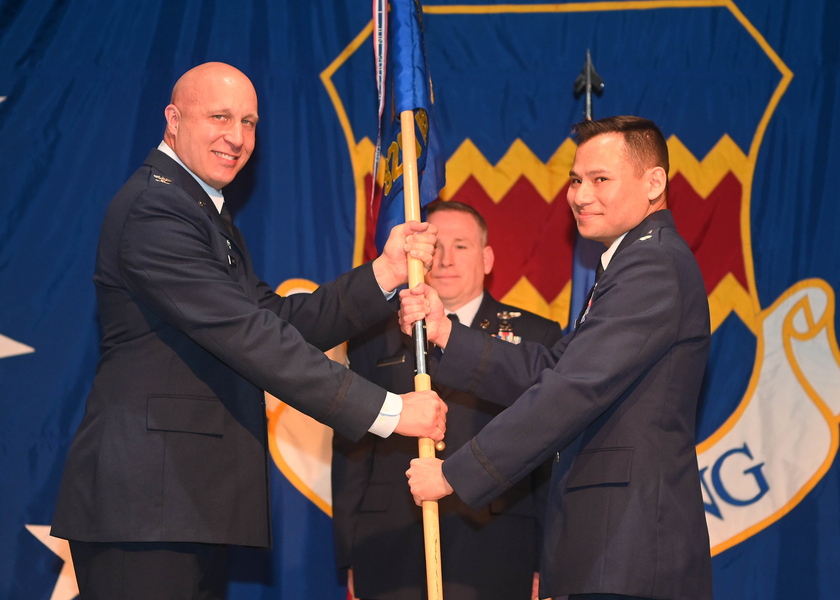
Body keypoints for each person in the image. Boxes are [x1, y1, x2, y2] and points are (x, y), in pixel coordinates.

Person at [50, 62, 447, 600]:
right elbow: (251, 338)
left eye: (249, 122)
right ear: (173, 119)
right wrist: (391, 413)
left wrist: (387, 272)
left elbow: (277, 320)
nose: (236, 138)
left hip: (182, 505)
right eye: (219, 117)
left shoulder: (200, 211)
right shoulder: (155, 210)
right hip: (146, 509)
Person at [401, 116, 714, 600]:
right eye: (575, 180)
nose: (580, 195)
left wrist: (453, 473)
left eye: (600, 179)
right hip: (608, 547)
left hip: (630, 549)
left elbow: (570, 391)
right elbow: (549, 370)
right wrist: (446, 333)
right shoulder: (629, 262)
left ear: (654, 182)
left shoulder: (652, 264)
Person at [332, 201, 563, 600]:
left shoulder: (536, 338)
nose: (445, 259)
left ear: (488, 258)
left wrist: (547, 558)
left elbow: (544, 459)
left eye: (462, 246)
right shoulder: (375, 336)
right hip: (389, 538)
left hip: (498, 541)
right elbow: (353, 446)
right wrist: (349, 549)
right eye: (435, 247)